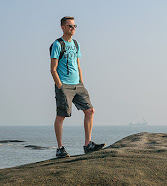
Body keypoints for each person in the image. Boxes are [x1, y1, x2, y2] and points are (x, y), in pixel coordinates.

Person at [50, 16, 105, 158]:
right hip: (64, 85)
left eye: (74, 26)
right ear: (63, 27)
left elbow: (78, 65)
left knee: (90, 111)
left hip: (78, 84)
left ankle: (88, 145)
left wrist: (81, 82)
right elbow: (53, 69)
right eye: (70, 26)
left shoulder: (75, 44)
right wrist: (60, 86)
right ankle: (60, 148)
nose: (73, 28)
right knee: (61, 116)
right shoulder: (57, 44)